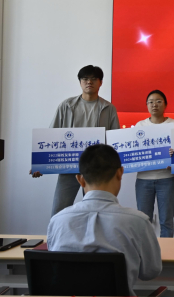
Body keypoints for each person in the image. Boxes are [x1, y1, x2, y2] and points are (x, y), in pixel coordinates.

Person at [47, 144, 162, 296]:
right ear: (120, 173)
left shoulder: (57, 221)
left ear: (80, 179)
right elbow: (150, 272)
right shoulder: (138, 221)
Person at [32, 65, 121, 216]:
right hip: (69, 166)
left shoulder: (108, 108)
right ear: (80, 82)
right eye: (85, 78)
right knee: (59, 211)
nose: (89, 82)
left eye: (94, 79)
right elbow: (51, 136)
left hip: (96, 168)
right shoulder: (66, 106)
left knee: (95, 212)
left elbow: (115, 140)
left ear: (100, 82)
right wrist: (39, 164)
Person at [135, 90, 174, 238]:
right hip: (143, 180)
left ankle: (166, 252)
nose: (154, 104)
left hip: (166, 179)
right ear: (146, 105)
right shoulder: (140, 126)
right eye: (150, 102)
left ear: (165, 104)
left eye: (158, 101)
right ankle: (146, 251)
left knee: (166, 221)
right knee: (143, 221)